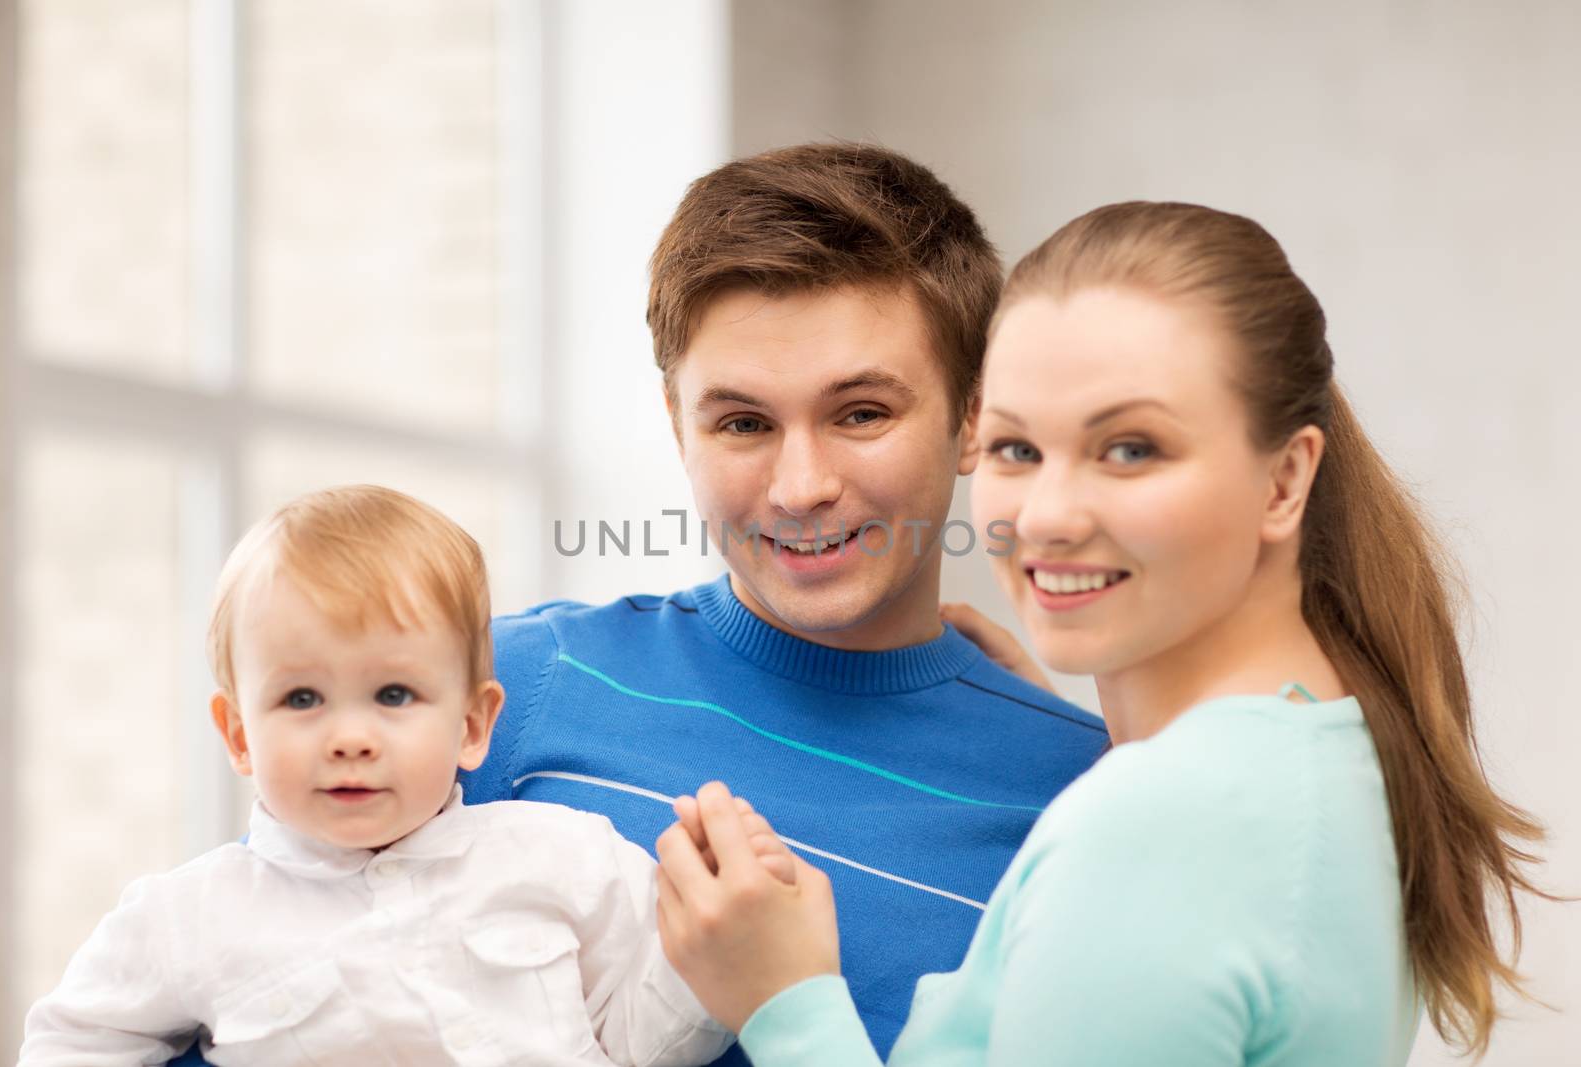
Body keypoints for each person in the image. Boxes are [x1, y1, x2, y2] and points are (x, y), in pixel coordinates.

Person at [654, 202, 1551, 1065]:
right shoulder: (1330, 746)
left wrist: (788, 1004)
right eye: (1016, 448)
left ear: (1283, 481)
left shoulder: (1156, 827)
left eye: (1130, 449)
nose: (1047, 517)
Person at [459, 143, 1109, 1064]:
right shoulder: (499, 691)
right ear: (676, 423)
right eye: (743, 423)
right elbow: (257, 991)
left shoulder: (1086, 800)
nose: (801, 487)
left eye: (861, 413)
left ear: (975, 415)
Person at [21, 485, 739, 1067]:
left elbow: (646, 1039)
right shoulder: (187, 916)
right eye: (302, 698)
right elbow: (69, 1040)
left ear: (471, 725)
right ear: (240, 735)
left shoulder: (568, 855)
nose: (351, 737)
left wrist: (718, 949)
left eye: (394, 695)